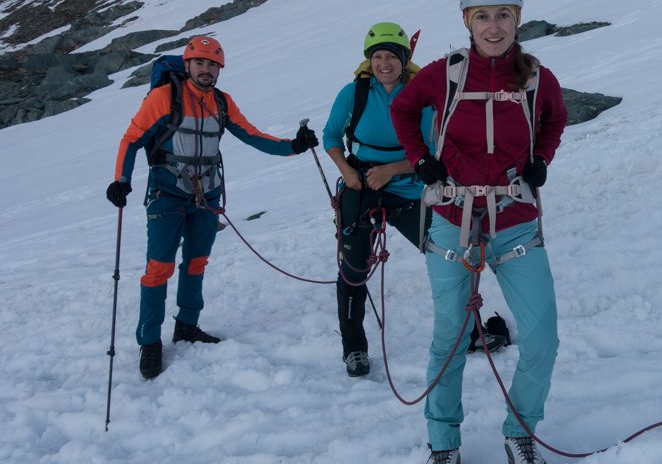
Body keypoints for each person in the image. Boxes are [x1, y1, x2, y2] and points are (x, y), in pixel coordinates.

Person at [390, 0, 568, 464]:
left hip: (514, 220)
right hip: (452, 219)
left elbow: (555, 119)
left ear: (518, 18)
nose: (494, 26)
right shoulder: (444, 74)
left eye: (504, 15)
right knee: (450, 337)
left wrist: (543, 158)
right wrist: (421, 158)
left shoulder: (536, 78)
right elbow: (404, 109)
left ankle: (521, 429)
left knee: (541, 337)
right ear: (467, 20)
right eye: (483, 15)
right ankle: (443, 443)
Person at [107, 35, 319, 379]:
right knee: (158, 268)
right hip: (167, 195)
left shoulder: (222, 102)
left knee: (196, 263)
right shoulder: (164, 98)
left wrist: (293, 146)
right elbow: (132, 139)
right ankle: (149, 342)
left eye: (213, 64)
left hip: (207, 195)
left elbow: (252, 135)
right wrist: (121, 179)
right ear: (187, 64)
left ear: (220, 69)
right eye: (200, 63)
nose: (206, 70)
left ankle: (187, 325)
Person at [322, 22, 435, 378]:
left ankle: (468, 327)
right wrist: (346, 171)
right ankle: (353, 348)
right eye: (377, 57)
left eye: (391, 57)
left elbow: (433, 150)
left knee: (446, 256)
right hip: (360, 184)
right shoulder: (354, 93)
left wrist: (392, 169)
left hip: (407, 185)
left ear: (405, 60)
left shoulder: (421, 96)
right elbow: (330, 135)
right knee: (352, 270)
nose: (384, 63)